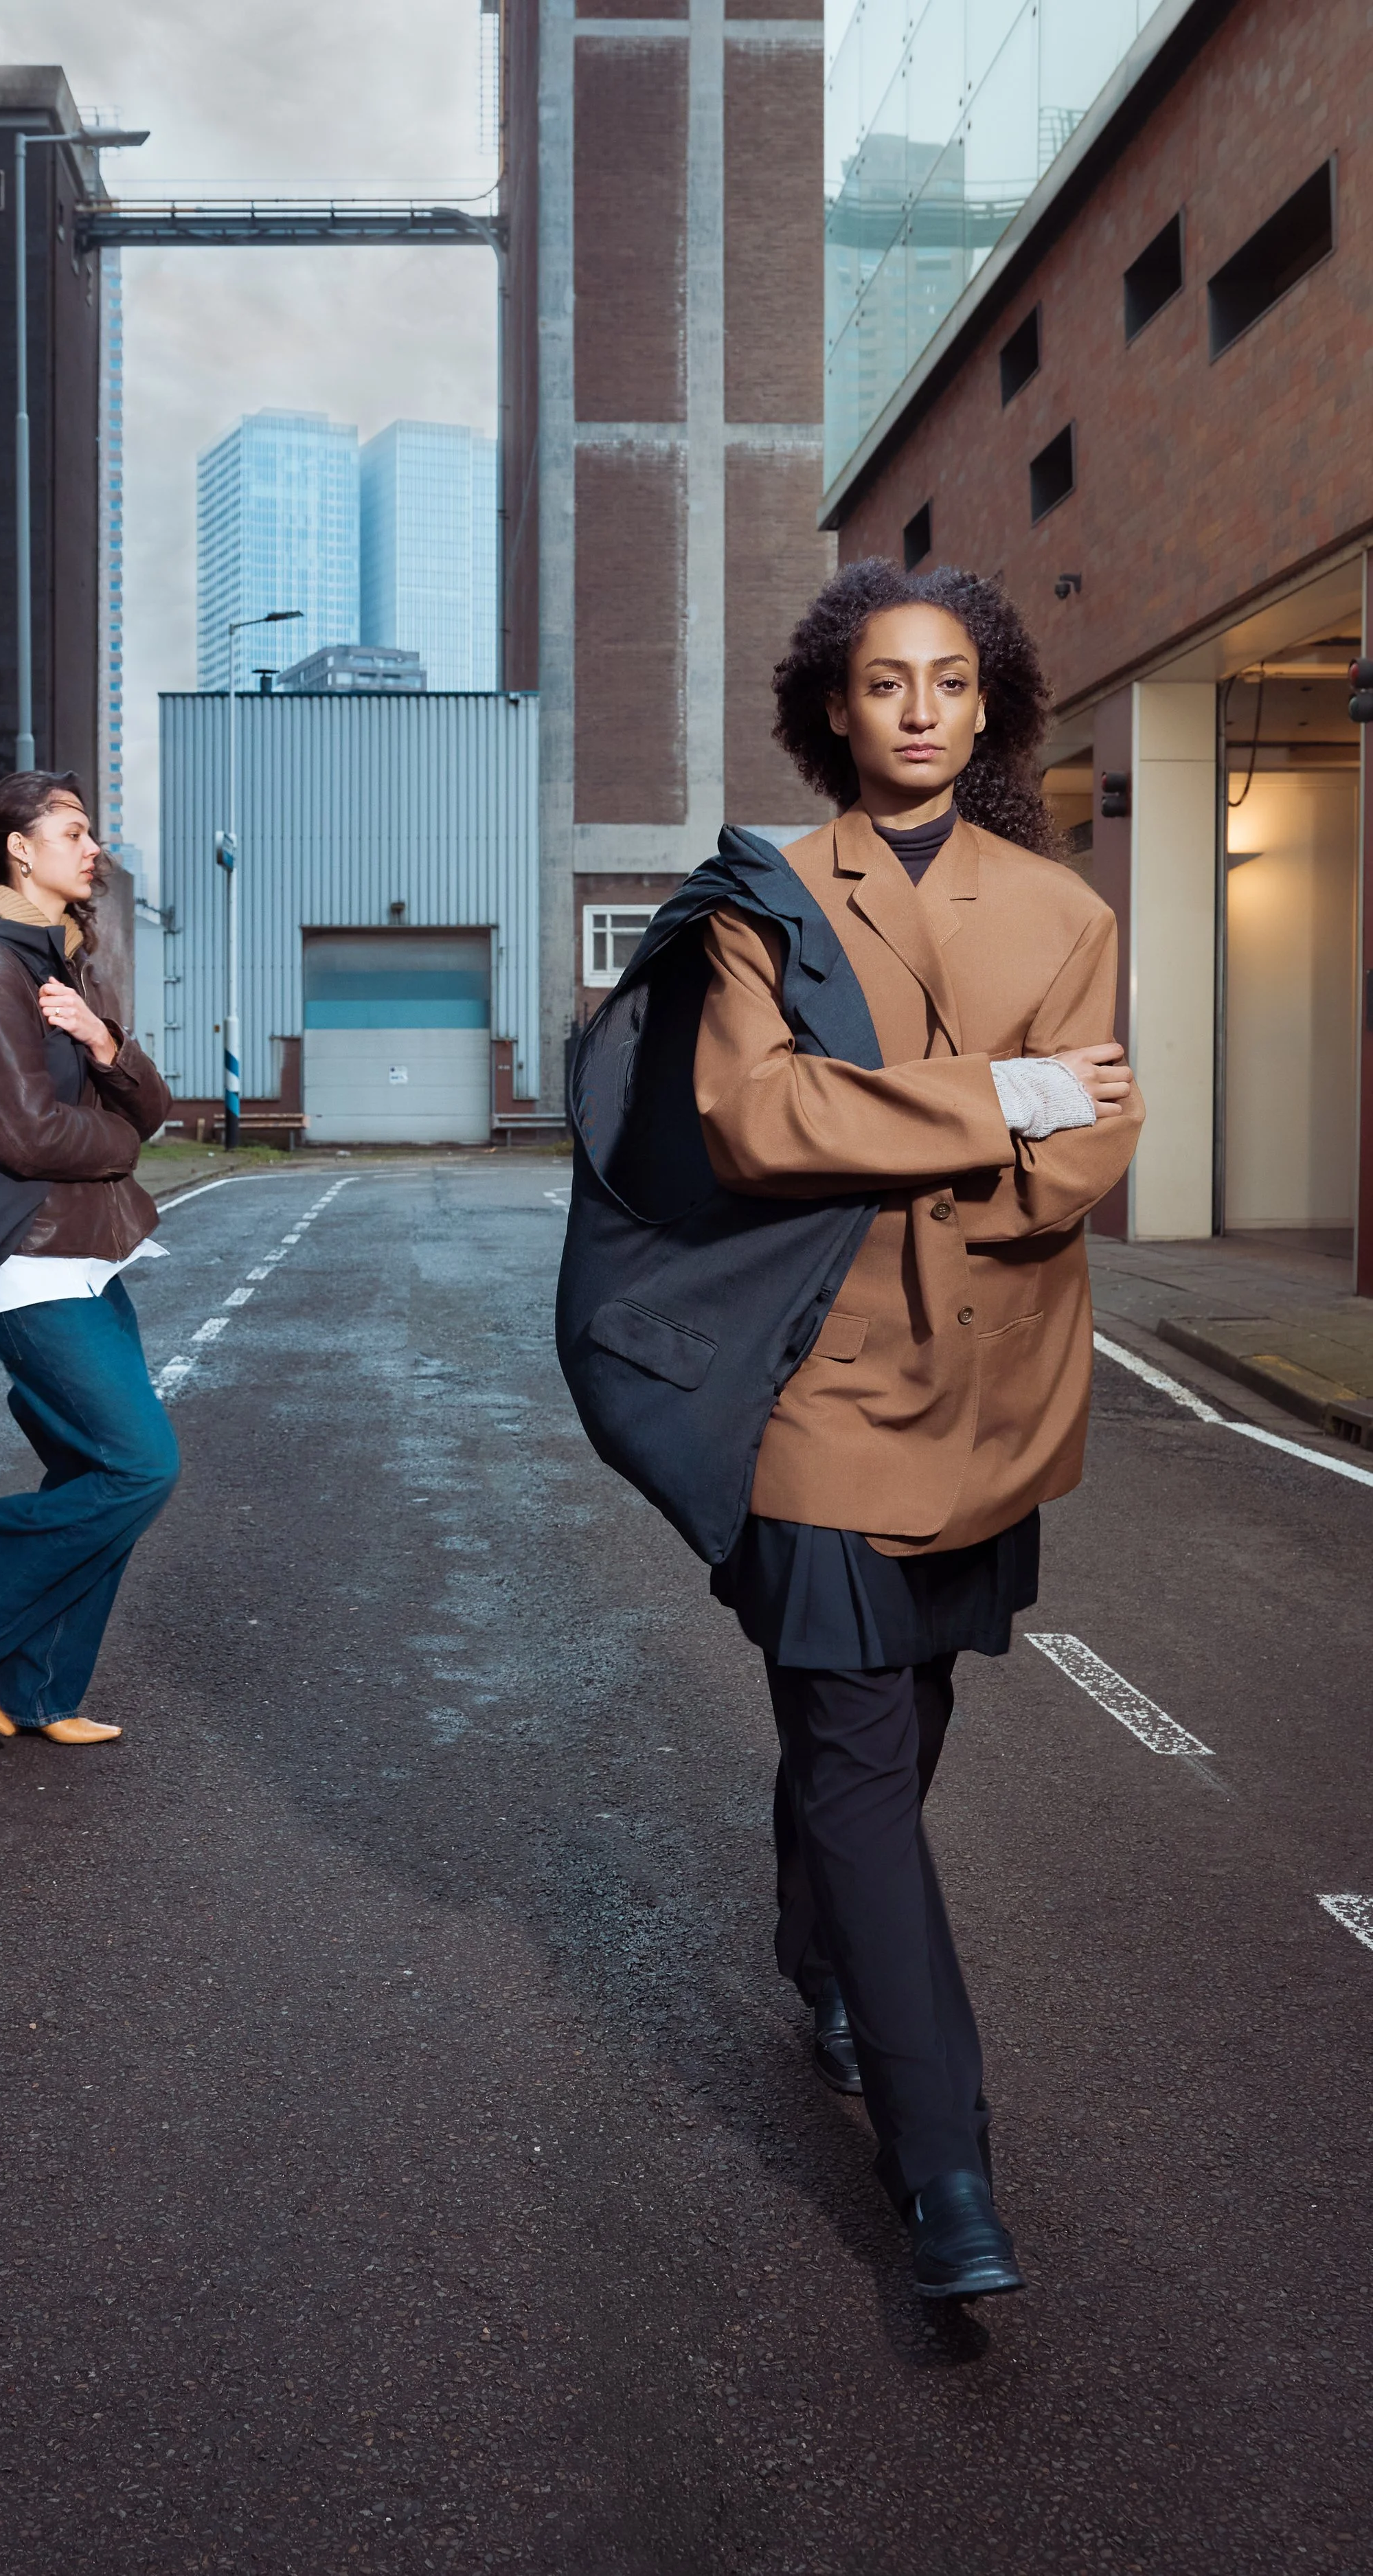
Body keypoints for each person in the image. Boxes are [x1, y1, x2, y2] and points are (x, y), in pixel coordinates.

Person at [694, 560, 1142, 2297]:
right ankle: (942, 2167)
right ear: (830, 704)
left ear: (987, 703)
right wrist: (1003, 1099)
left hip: (996, 1388)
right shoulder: (763, 901)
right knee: (867, 1757)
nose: (918, 711)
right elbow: (754, 1118)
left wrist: (933, 1123)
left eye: (950, 682)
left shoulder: (1064, 911)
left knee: (899, 1721)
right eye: (885, 682)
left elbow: (1091, 1142)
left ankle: (813, 1945)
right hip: (820, 1389)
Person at [0, 771, 179, 1746]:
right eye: (71, 829)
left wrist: (107, 1043)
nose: (92, 846)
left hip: (90, 1257)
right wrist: (118, 1143)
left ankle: (41, 1692)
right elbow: (22, 1132)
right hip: (27, 1265)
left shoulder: (59, 966)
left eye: (92, 831)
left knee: (88, 1470)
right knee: (142, 1466)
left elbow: (149, 1105)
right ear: (19, 848)